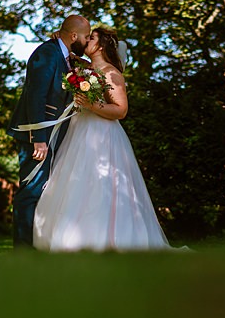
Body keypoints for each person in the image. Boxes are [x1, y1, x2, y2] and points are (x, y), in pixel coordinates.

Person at [33, 27, 172, 252]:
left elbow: (121, 110)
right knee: (76, 183)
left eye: (92, 37)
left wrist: (92, 105)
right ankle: (71, 238)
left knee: (101, 183)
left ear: (100, 45)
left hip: (102, 135)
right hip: (79, 131)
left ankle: (106, 237)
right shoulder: (86, 68)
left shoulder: (111, 72)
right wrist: (62, 37)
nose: (87, 39)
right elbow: (70, 51)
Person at [9, 14, 91, 248]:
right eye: (85, 37)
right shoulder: (47, 53)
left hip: (53, 136)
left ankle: (37, 244)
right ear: (73, 36)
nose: (86, 42)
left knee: (43, 190)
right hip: (37, 136)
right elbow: (36, 96)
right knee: (31, 191)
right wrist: (38, 139)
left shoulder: (65, 57)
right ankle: (23, 251)